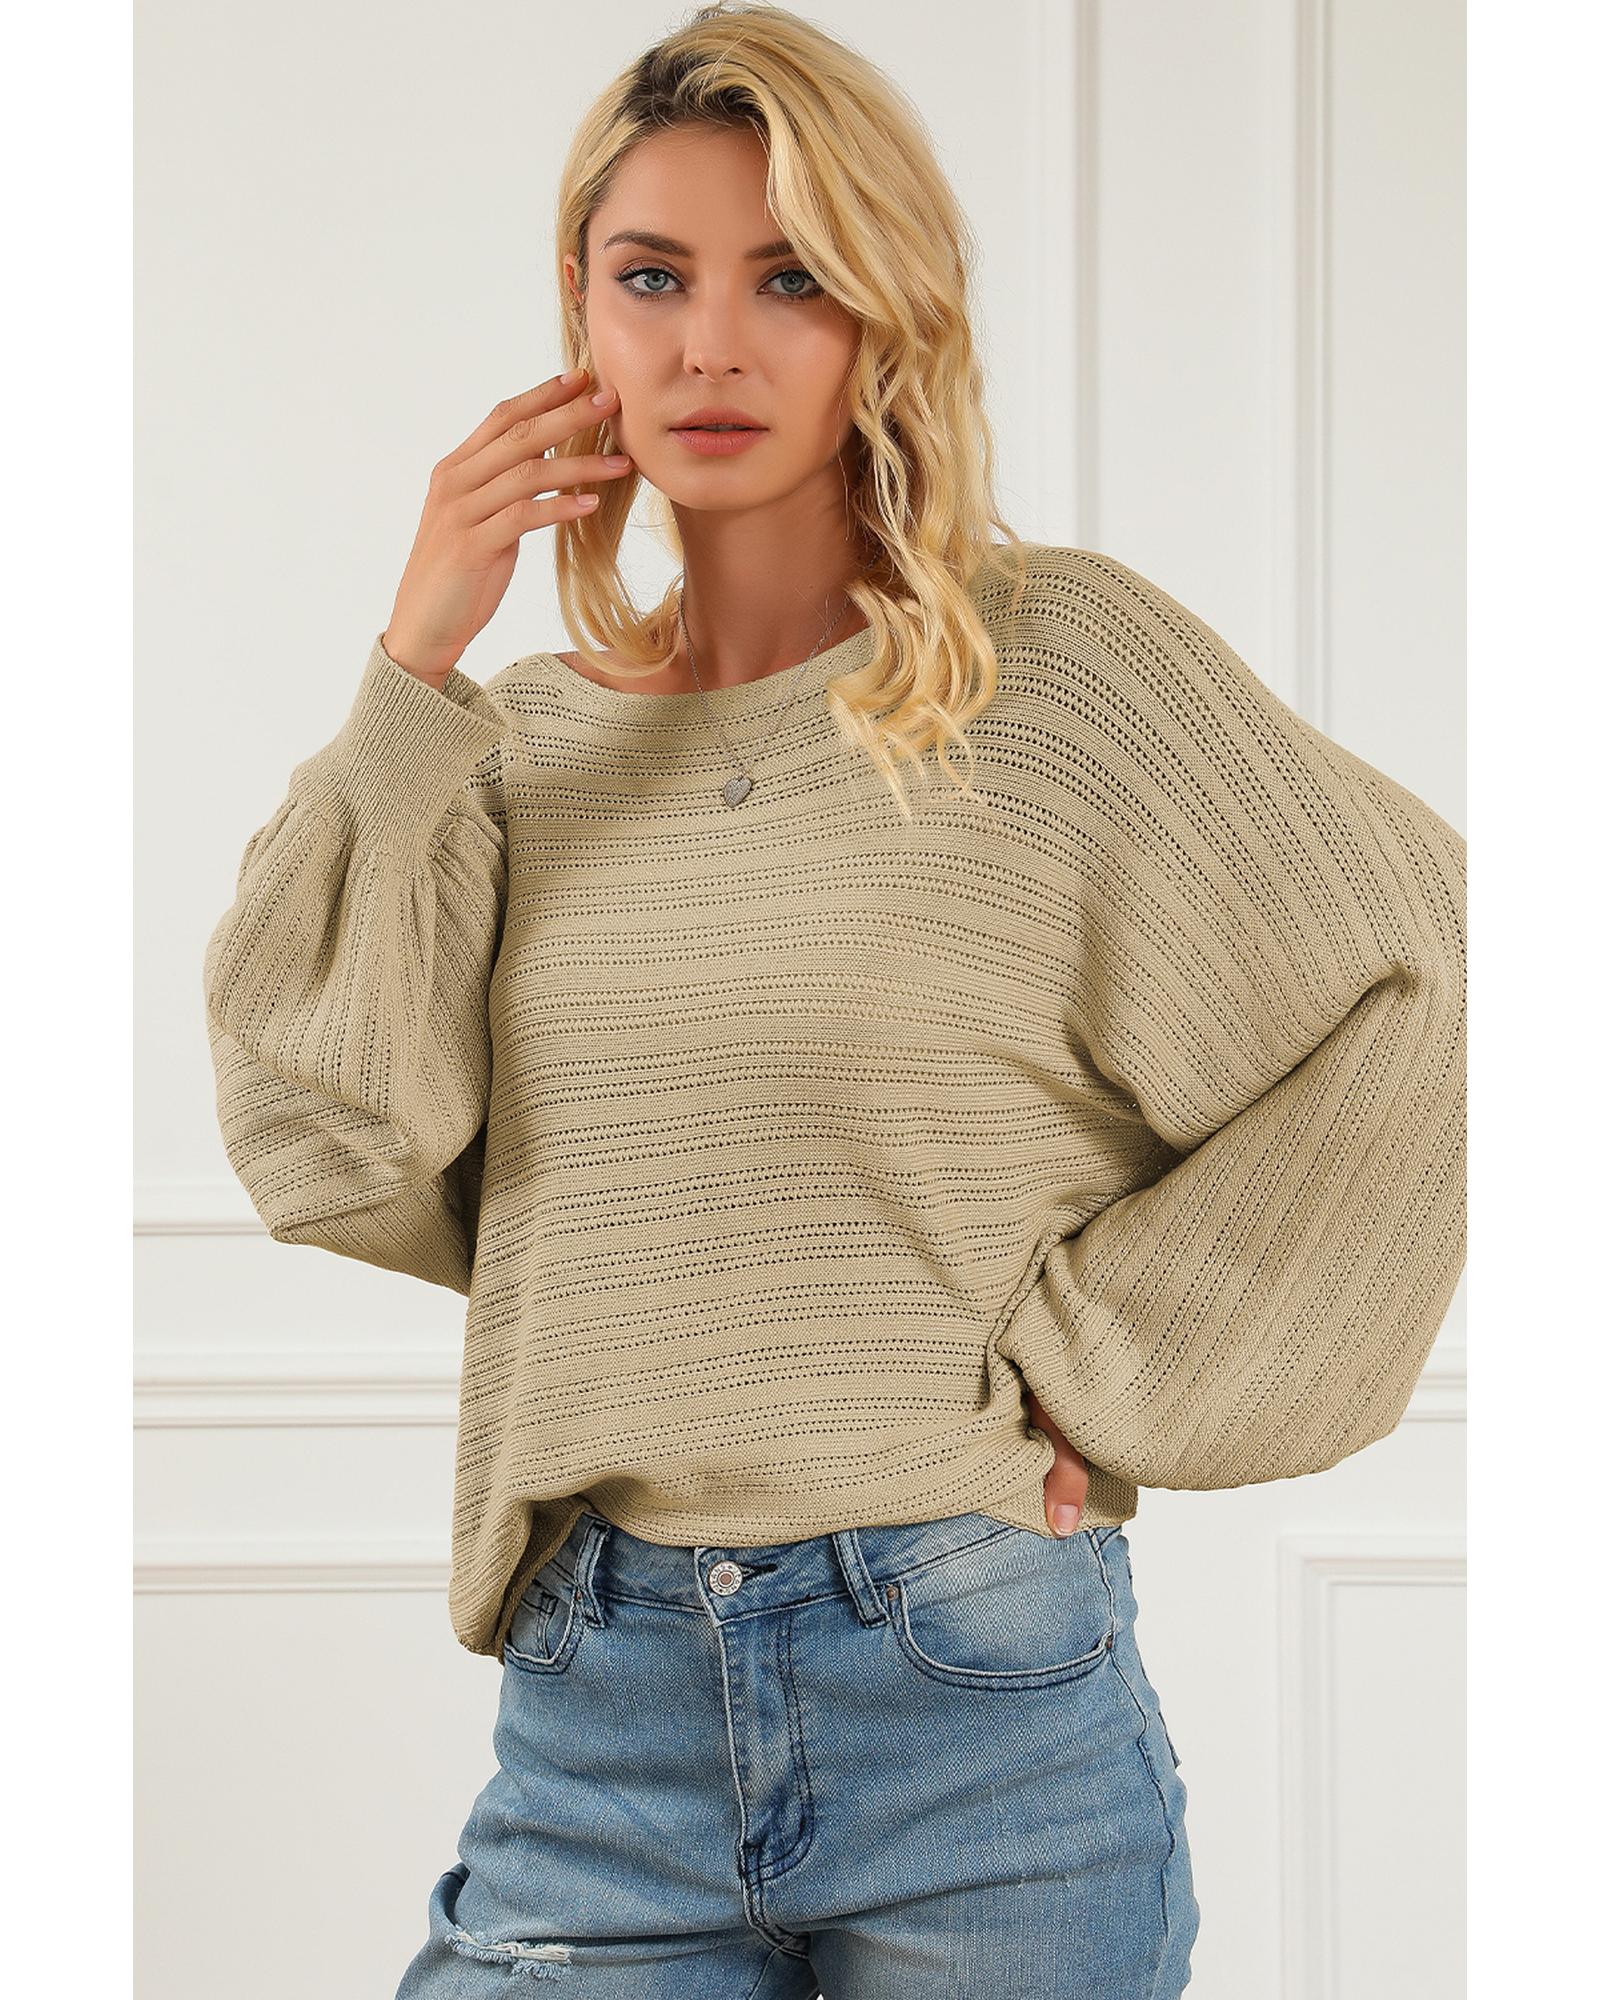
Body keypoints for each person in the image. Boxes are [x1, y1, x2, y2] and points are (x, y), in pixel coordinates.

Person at [200, 6, 1465, 1995]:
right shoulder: (506, 750)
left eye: (789, 278)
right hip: (595, 1723)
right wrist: (415, 661)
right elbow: (321, 1125)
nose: (711, 343)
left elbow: (1424, 976)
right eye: (654, 277)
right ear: (579, 309)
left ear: (888, 314)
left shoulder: (1055, 677)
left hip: (973, 1700)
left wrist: (1122, 1359)